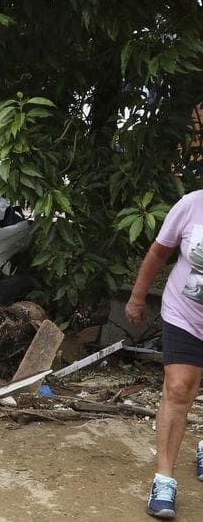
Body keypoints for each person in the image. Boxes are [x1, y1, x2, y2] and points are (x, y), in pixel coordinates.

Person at [127, 189, 203, 518]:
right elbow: (158, 253)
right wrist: (137, 297)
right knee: (178, 388)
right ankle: (165, 479)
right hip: (185, 315)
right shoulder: (192, 205)